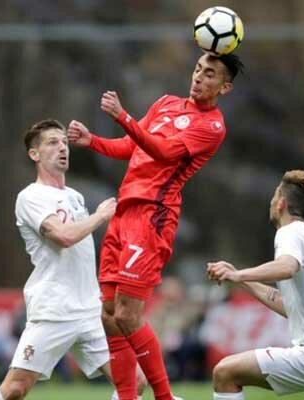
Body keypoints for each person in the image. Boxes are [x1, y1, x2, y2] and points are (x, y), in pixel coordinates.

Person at [68, 52, 244, 400]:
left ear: (224, 87)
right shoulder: (166, 103)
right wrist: (94, 141)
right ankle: (127, 397)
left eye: (210, 75)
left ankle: (165, 397)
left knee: (128, 315)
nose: (198, 77)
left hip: (153, 216)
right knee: (108, 315)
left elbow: (163, 151)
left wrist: (123, 116)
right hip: (124, 211)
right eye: (197, 69)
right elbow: (134, 147)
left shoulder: (212, 127)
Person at [0, 119, 146, 400]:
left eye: (64, 142)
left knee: (134, 381)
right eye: (52, 142)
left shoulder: (74, 196)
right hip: (54, 310)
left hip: (89, 310)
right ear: (34, 154)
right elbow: (63, 236)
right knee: (14, 390)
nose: (62, 148)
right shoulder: (30, 197)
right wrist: (100, 216)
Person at [206, 170, 304, 400]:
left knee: (225, 372)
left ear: (281, 203)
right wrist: (242, 279)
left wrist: (239, 276)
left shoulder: (289, 232)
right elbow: (289, 306)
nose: (272, 201)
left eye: (275, 196)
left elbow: (287, 267)